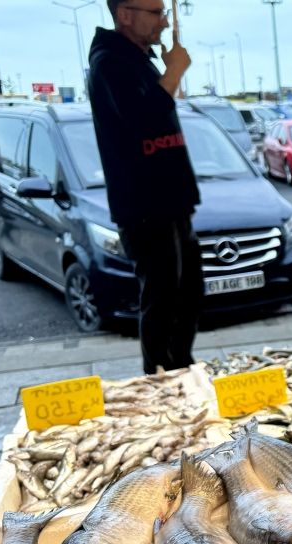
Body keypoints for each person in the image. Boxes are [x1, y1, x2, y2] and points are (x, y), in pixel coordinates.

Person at [88, 0, 201, 374]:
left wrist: (167, 72)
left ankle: (182, 369)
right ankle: (161, 378)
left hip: (171, 200)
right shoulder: (109, 62)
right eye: (156, 13)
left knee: (187, 294)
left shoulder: (138, 60)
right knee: (163, 297)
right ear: (125, 14)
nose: (164, 23)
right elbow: (144, 118)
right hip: (145, 204)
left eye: (164, 13)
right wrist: (175, 72)